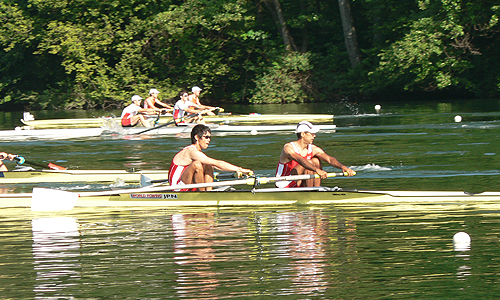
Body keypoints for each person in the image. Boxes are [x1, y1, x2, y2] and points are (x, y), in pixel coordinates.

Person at [168, 124, 253, 191]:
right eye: (206, 137)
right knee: (196, 164)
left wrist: (237, 170)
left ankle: (208, 192)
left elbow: (216, 166)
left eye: (210, 137)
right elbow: (218, 163)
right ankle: (203, 194)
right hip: (177, 188)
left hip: (187, 183)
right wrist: (240, 169)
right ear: (197, 137)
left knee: (209, 165)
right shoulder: (191, 151)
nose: (209, 140)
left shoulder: (197, 153)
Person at [275, 121, 356, 188]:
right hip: (284, 183)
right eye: (312, 133)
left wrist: (343, 167)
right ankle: (311, 192)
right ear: (303, 134)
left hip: (299, 182)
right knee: (309, 162)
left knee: (316, 161)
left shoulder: (313, 148)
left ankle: (315, 190)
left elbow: (329, 159)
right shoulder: (288, 148)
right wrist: (317, 170)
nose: (314, 136)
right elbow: (300, 160)